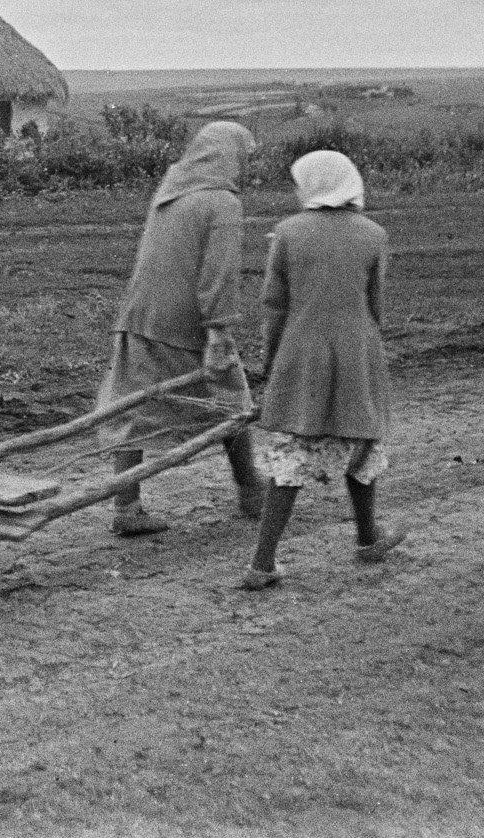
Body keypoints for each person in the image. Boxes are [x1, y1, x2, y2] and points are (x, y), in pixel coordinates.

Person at [240, 150, 406, 590]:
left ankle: (263, 561)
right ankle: (368, 536)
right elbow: (377, 306)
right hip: (357, 353)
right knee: (363, 443)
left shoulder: (288, 234)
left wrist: (271, 361)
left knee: (292, 453)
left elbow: (274, 306)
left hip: (301, 354)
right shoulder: (374, 235)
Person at [96, 121, 262, 536]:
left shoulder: (170, 191)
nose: (246, 166)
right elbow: (219, 275)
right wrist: (220, 331)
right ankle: (250, 491)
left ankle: (126, 505)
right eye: (245, 156)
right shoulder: (222, 202)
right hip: (185, 320)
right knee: (232, 399)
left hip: (140, 312)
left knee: (132, 407)